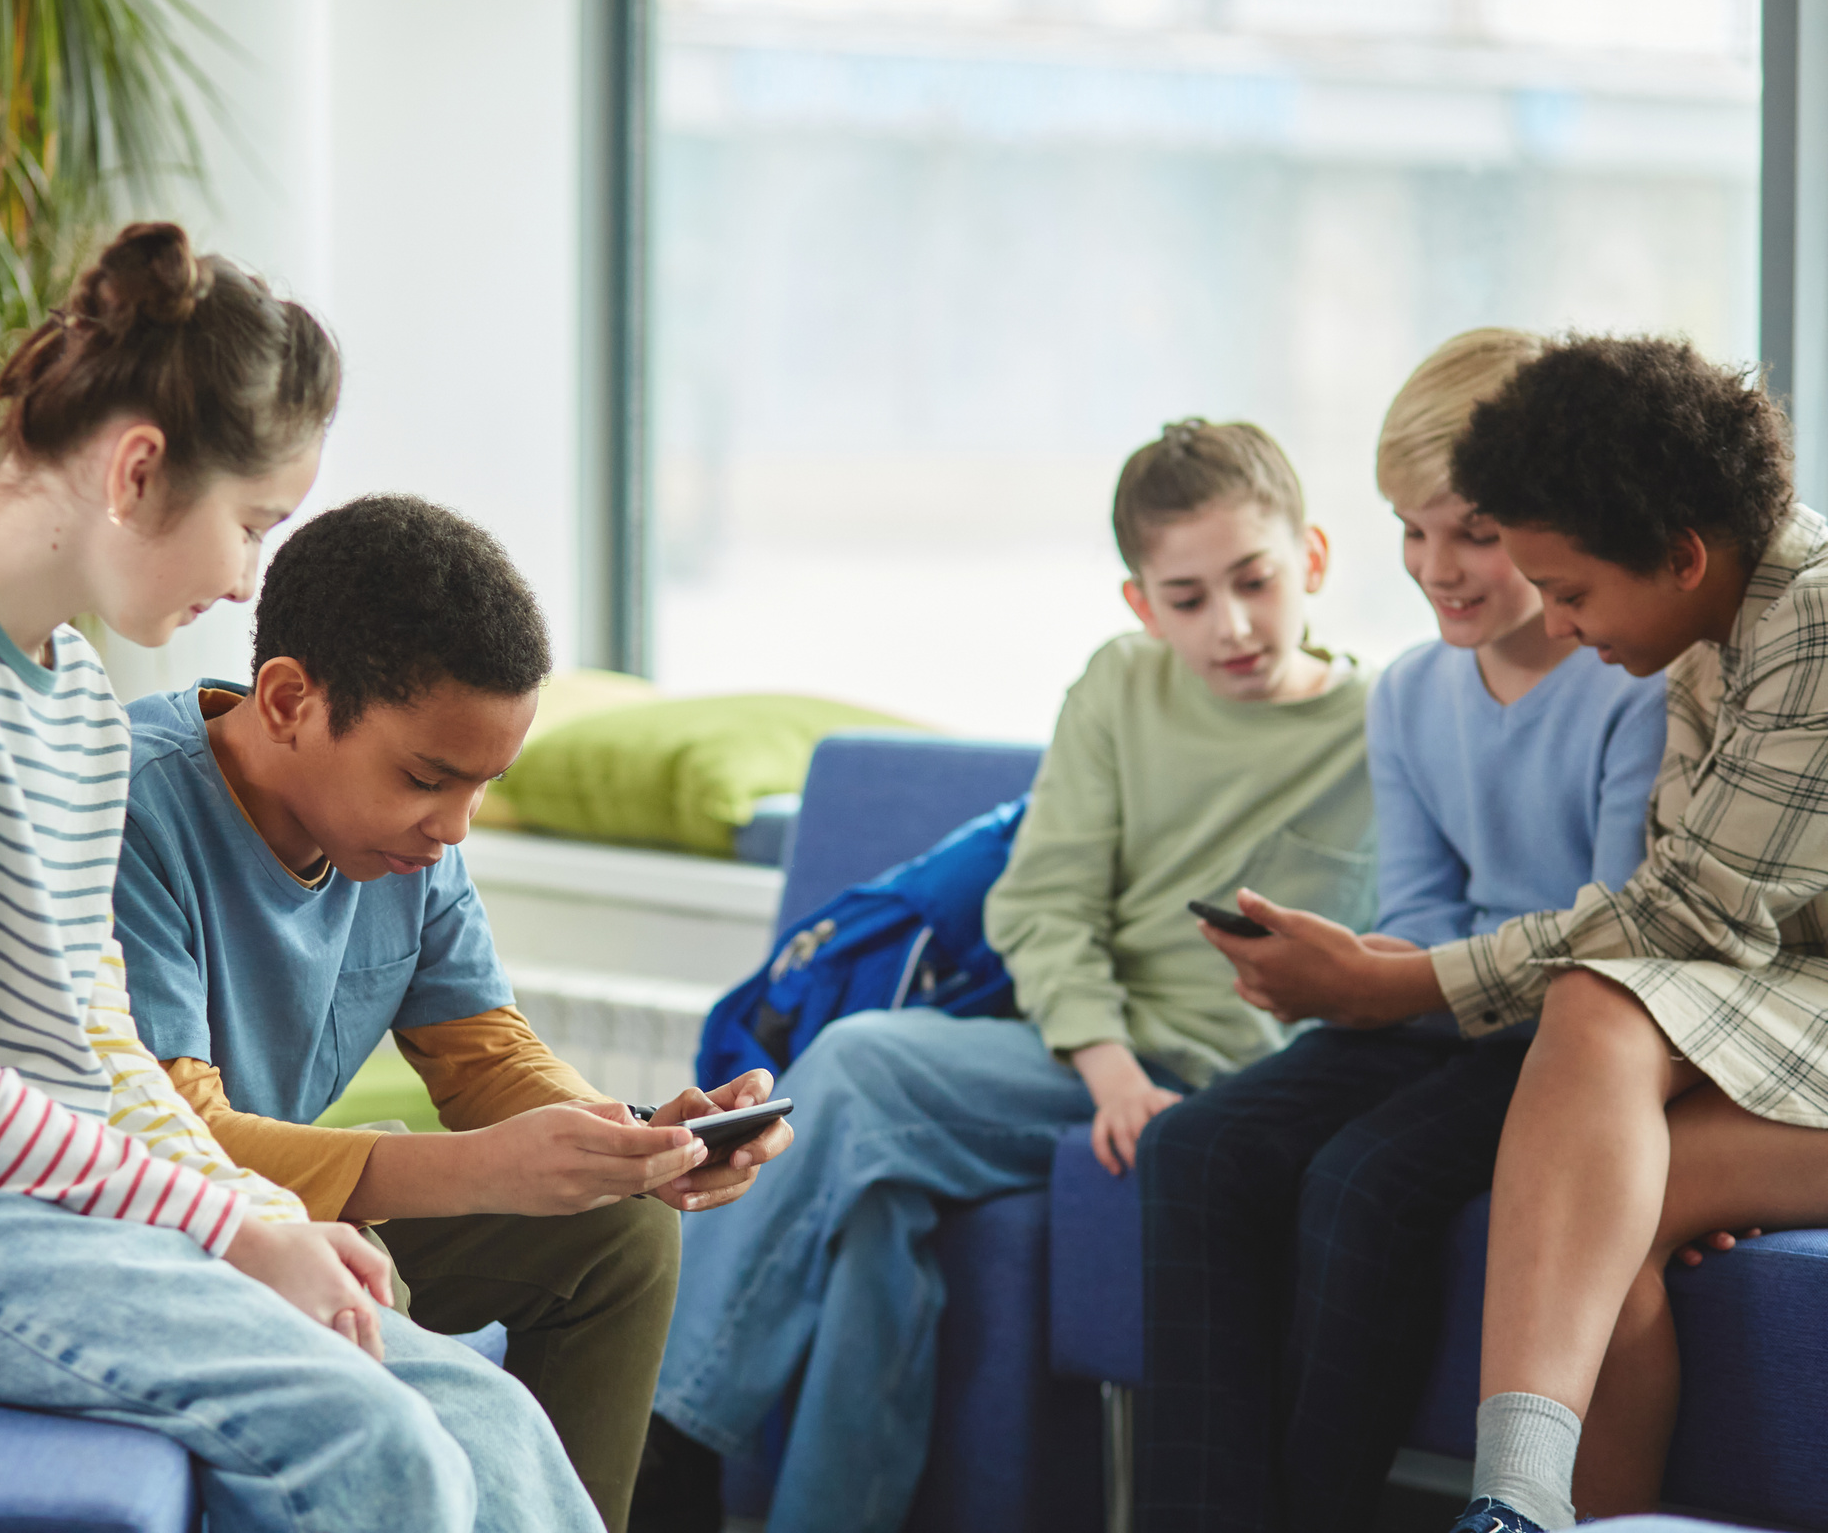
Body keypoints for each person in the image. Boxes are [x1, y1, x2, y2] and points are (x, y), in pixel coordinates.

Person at [0, 221, 602, 1533]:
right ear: (139, 472)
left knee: (484, 1419)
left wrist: (251, 1209)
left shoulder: (75, 696)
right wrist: (235, 1236)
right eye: (253, 523)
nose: (253, 575)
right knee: (378, 1449)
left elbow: (87, 1039)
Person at [634, 419, 1379, 1533]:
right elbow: (1044, 903)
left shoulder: (1383, 725)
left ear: (1312, 560)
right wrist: (1113, 1069)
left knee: (862, 1085)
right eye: (1185, 598)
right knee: (875, 1176)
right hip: (1079, 1060)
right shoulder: (1121, 687)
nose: (1228, 625)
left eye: (1255, 582)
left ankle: (667, 1450)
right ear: (1140, 605)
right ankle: (732, 1476)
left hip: (1240, 1091)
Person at [1198, 334, 1828, 1532]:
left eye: (1576, 591)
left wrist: (1405, 985)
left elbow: (1683, 919)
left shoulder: (1816, 628)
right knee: (1624, 1201)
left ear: (1682, 555)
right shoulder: (1714, 630)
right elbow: (1718, 944)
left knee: (1601, 1003)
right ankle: (1551, 1518)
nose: (1564, 621)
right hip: (1797, 1016)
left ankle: (1511, 1506)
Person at [109, 492, 794, 1533]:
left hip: (292, 1200)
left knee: (620, 1233)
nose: (455, 827)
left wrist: (622, 1140)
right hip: (156, 1222)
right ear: (289, 700)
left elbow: (487, 1058)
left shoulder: (405, 844)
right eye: (430, 777)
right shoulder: (128, 806)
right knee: (371, 1268)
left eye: (484, 786)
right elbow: (175, 1139)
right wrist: (480, 1167)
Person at [1132, 330, 1668, 1533]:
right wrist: (1334, 971)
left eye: (1475, 532)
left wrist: (1392, 983)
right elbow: (1424, 917)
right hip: (1441, 1011)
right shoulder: (1412, 696)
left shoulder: (1632, 687)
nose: (1440, 566)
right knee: (1195, 1151)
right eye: (1413, 532)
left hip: (1562, 1044)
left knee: (1360, 1182)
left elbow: (1613, 944)